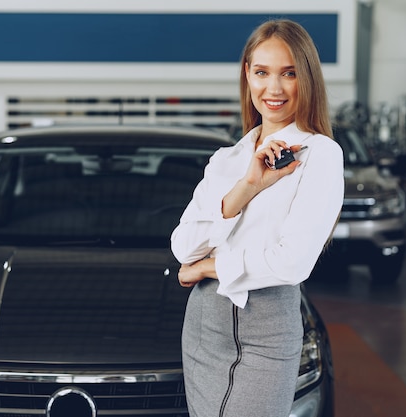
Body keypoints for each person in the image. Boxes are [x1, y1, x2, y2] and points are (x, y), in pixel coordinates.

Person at [170, 19, 344, 417]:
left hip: (268, 328)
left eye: (289, 73)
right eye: (262, 73)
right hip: (204, 326)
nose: (274, 89)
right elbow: (182, 246)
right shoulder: (227, 160)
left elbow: (293, 262)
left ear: (308, 78)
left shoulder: (320, 155)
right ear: (247, 76)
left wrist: (209, 266)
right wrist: (246, 187)